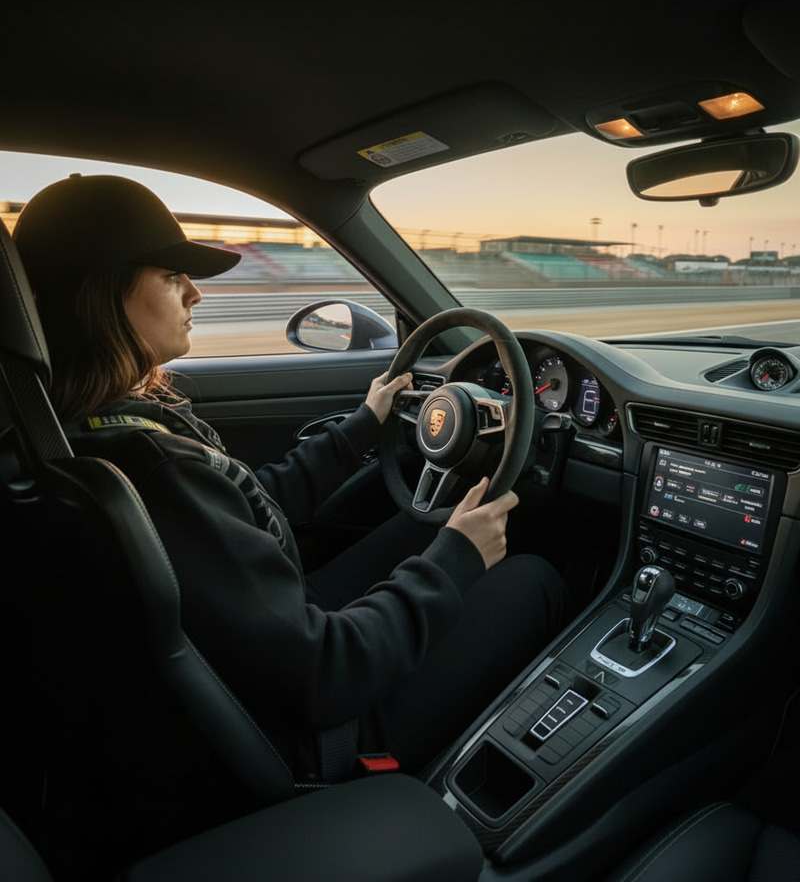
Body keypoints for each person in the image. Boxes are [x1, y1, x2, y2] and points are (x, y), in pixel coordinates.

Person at [13, 173, 571, 780]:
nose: (194, 295)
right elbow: (326, 674)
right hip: (308, 734)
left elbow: (252, 505)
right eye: (172, 277)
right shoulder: (156, 465)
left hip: (249, 657)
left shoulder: (82, 427)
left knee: (422, 525)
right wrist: (458, 560)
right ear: (100, 297)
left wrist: (362, 426)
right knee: (533, 576)